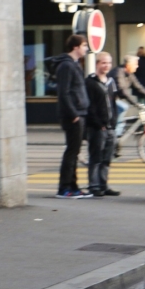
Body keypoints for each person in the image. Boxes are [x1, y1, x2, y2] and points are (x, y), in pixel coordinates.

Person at [55, 34, 91, 199]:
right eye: (84, 45)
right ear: (75, 47)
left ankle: (73, 186)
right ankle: (64, 187)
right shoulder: (67, 66)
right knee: (72, 151)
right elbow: (64, 93)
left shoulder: (75, 65)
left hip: (79, 113)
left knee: (75, 152)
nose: (86, 48)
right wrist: (74, 114)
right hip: (73, 115)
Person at [84, 52, 121, 197]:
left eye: (109, 63)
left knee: (107, 158)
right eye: (103, 63)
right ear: (97, 64)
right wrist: (99, 123)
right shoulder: (90, 82)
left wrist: (114, 121)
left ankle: (103, 185)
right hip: (97, 127)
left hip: (111, 126)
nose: (106, 66)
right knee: (96, 157)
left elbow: (113, 103)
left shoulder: (111, 82)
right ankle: (94, 186)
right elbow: (90, 106)